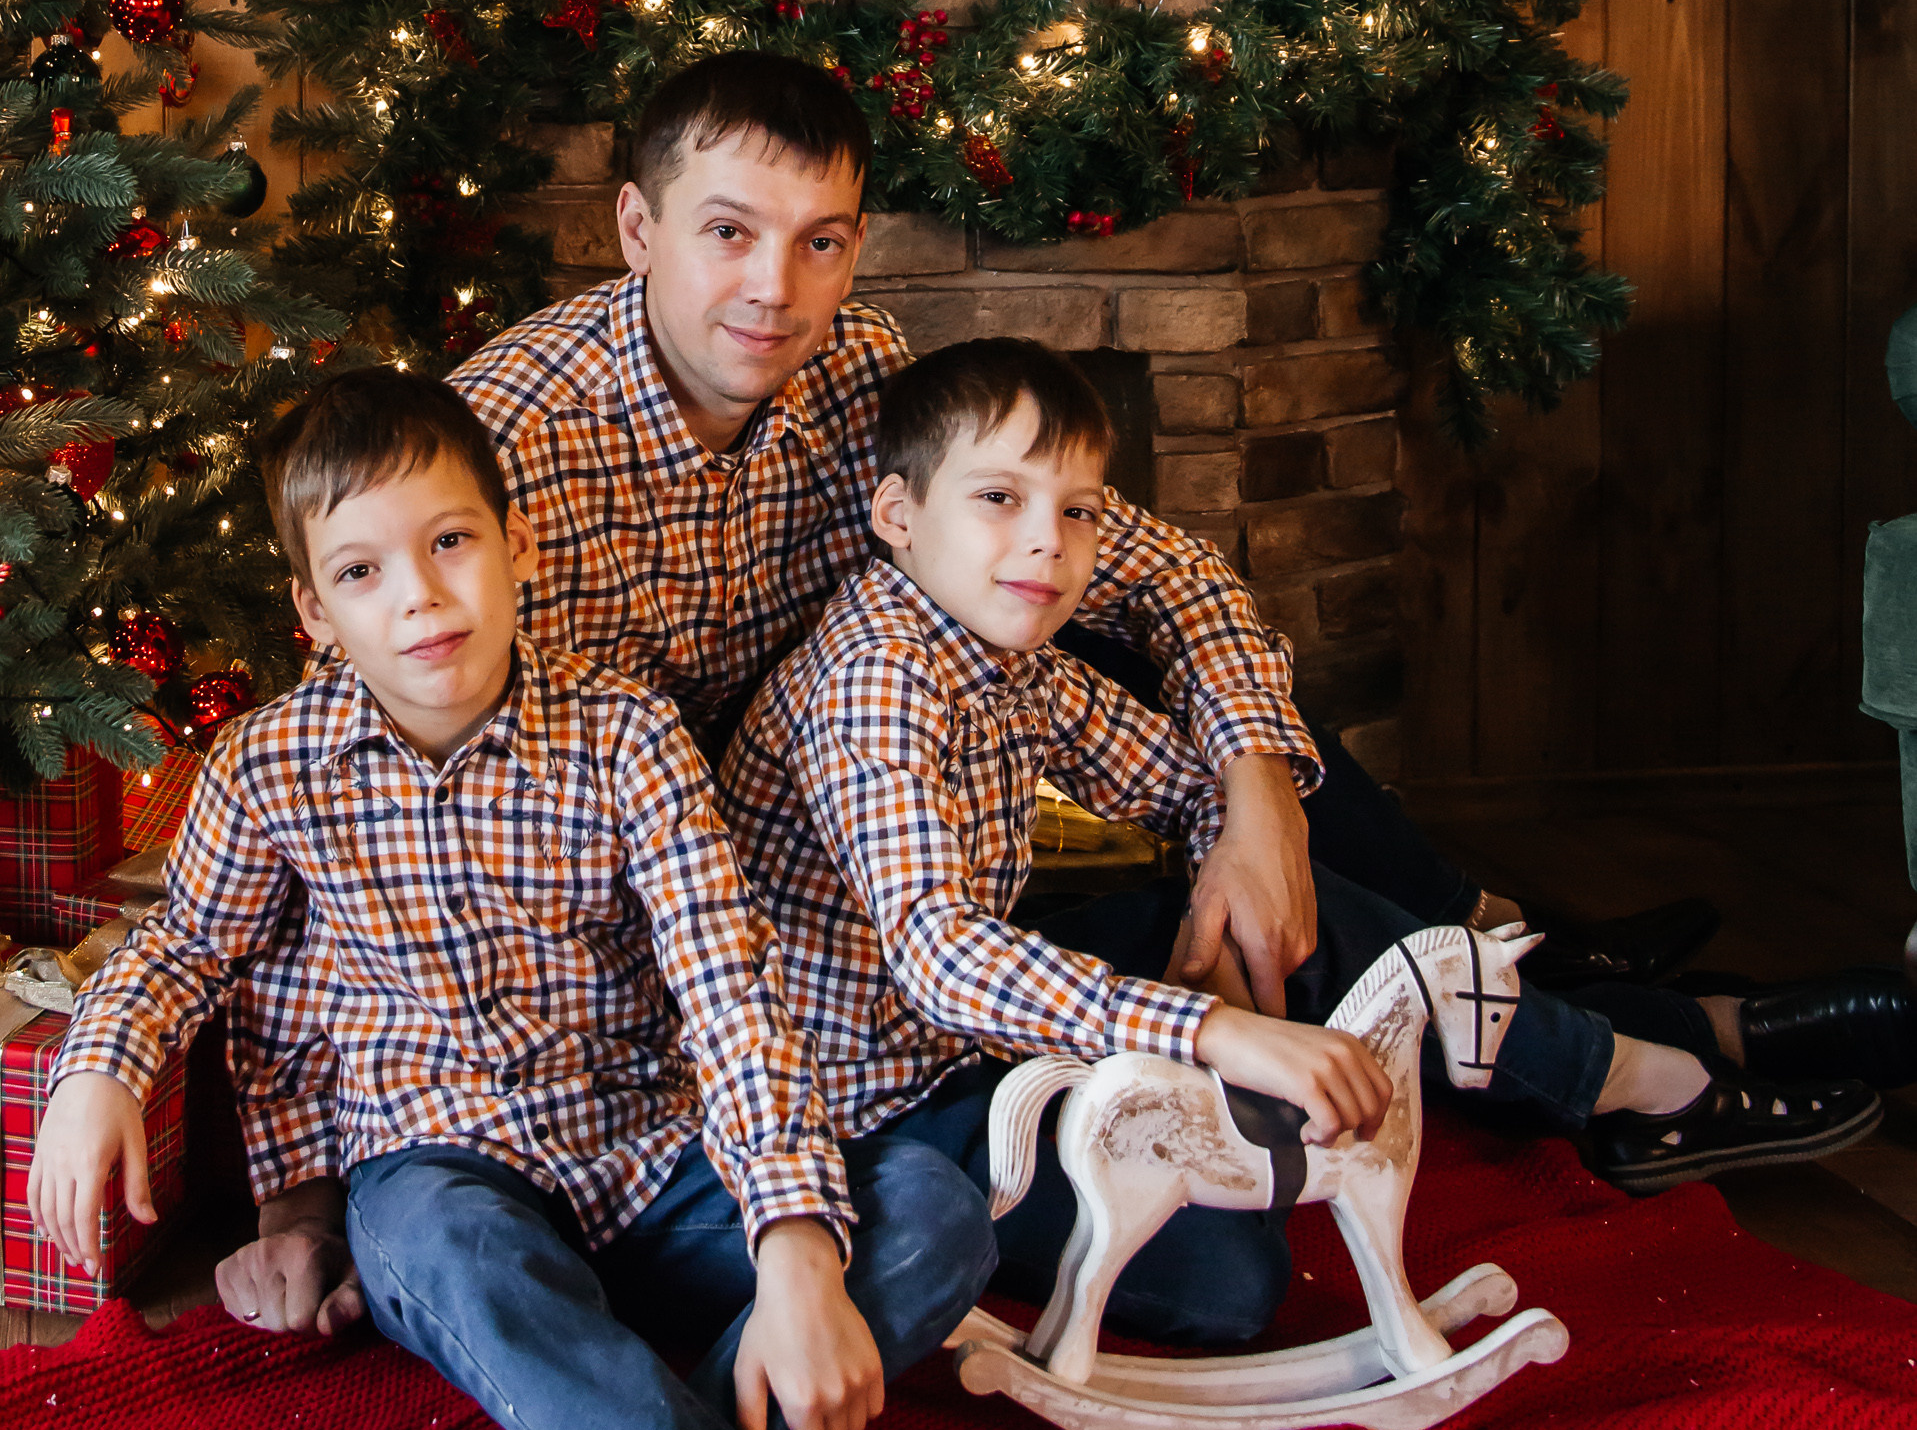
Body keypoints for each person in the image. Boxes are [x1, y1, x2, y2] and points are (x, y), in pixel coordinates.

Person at [215, 54, 1714, 1325]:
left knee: (1087, 618)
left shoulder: (863, 379)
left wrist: (1254, 799)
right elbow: (334, 797)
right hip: (714, 954)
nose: (773, 290)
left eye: (822, 241)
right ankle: (1542, 1011)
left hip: (904, 843)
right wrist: (303, 1194)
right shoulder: (494, 455)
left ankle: (1537, 999)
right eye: (728, 232)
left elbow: (1155, 567)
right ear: (635, 227)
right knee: (1219, 1273)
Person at [30, 370, 991, 1430]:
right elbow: (173, 951)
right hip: (448, 1182)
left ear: (517, 546)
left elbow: (728, 996)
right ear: (312, 615)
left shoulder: (623, 737)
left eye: (450, 544)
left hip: (641, 1157)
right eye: (363, 573)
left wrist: (796, 1249)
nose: (419, 599)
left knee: (936, 1212)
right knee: (440, 1239)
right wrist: (97, 1068)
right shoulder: (270, 769)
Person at [715, 339, 1882, 1345]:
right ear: (896, 513)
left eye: (1075, 508)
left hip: (981, 1035)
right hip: (880, 1103)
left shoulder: (1003, 657)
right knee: (1233, 1288)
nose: (1048, 545)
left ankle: (1626, 1080)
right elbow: (944, 955)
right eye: (999, 499)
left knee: (1290, 896)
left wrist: (1232, 868)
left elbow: (1183, 787)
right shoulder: (876, 675)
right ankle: (1593, 1068)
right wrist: (1224, 1028)